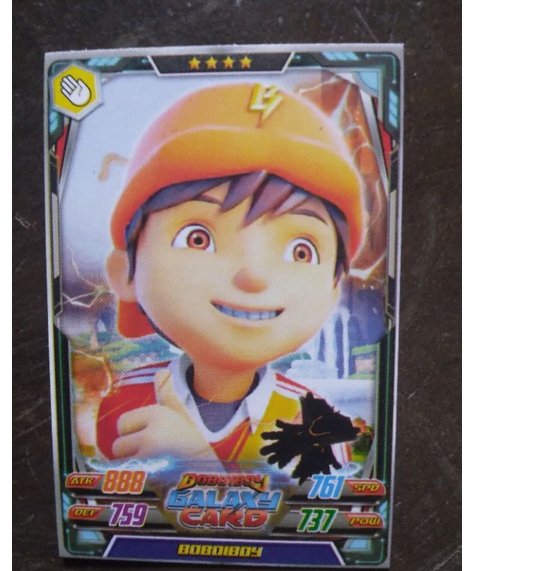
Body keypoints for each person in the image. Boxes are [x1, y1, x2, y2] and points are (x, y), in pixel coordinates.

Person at [96, 82, 364, 481]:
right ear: (125, 274)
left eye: (301, 250)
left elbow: (314, 508)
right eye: (197, 238)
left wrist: (194, 461)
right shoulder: (122, 399)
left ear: (333, 291)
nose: (253, 275)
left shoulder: (315, 422)